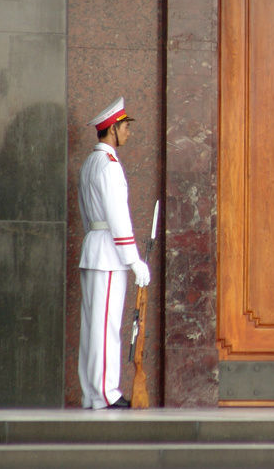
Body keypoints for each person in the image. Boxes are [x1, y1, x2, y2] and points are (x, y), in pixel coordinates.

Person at [78, 97, 151, 409]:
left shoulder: (90, 163)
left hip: (94, 246)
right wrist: (133, 260)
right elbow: (118, 217)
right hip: (109, 253)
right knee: (106, 327)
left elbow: (87, 213)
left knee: (92, 326)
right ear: (112, 130)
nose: (128, 133)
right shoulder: (109, 166)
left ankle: (93, 393)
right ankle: (106, 393)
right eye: (124, 127)